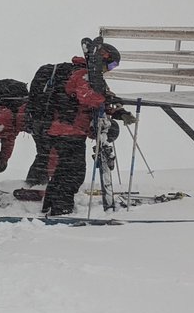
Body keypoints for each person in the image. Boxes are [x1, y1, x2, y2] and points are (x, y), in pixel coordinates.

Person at [40, 42, 135, 216]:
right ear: (103, 59)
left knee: (64, 169)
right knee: (74, 172)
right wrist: (106, 99)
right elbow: (88, 98)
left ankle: (50, 204)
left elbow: (100, 101)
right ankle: (61, 208)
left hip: (68, 130)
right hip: (68, 130)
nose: (110, 69)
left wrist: (118, 112)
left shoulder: (93, 77)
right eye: (111, 65)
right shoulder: (83, 74)